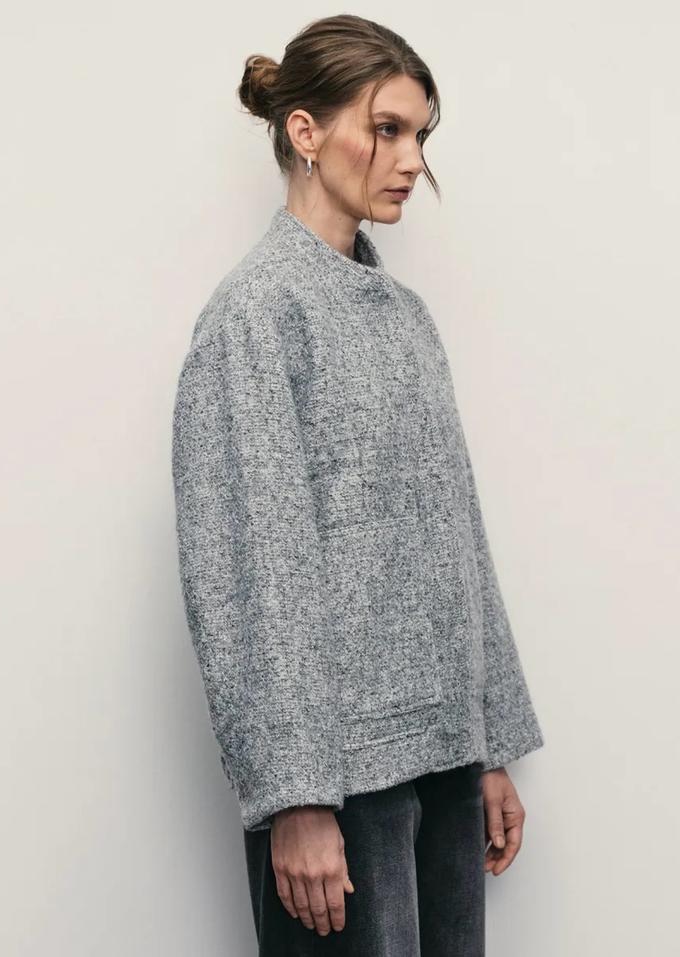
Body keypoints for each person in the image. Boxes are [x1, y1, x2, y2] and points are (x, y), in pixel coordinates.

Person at [171, 14, 545, 956]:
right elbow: (249, 572)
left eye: (419, 134)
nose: (412, 159)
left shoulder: (407, 319)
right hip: (340, 784)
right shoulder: (255, 317)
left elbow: (457, 533)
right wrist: (294, 797)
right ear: (305, 131)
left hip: (444, 765)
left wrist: (487, 741)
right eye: (387, 129)